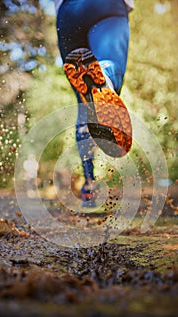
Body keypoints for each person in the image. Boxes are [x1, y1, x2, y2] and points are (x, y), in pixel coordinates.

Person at [52, 0, 133, 207]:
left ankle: (89, 182)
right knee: (109, 69)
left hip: (68, 13)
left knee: (85, 105)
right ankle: (104, 77)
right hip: (108, 6)